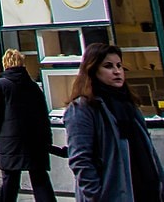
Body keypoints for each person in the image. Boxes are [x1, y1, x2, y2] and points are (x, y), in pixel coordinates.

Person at [64, 42, 164, 202]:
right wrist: (96, 195)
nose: (117, 71)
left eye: (119, 65)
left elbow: (148, 151)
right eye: (108, 66)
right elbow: (81, 160)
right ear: (93, 69)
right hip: (113, 194)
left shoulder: (130, 106)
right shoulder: (82, 108)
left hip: (146, 190)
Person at [0, 49, 54, 202]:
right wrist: (46, 140)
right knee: (40, 179)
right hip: (35, 140)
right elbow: (43, 115)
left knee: (10, 180)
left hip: (9, 140)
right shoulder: (33, 86)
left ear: (5, 63)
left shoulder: (1, 84)